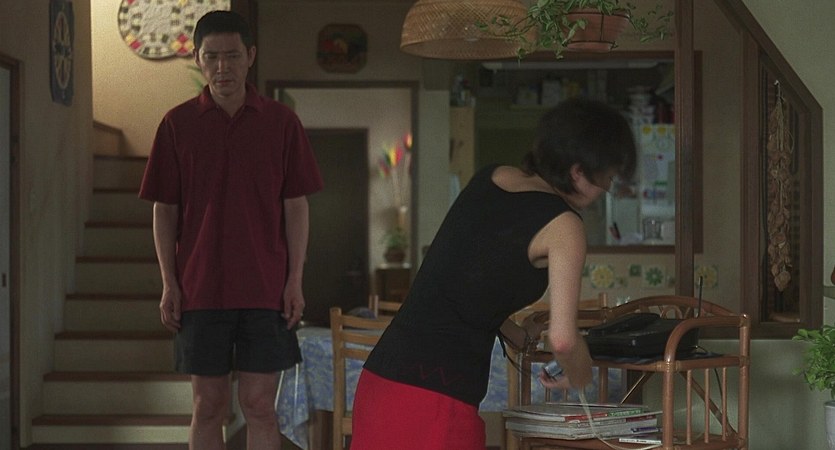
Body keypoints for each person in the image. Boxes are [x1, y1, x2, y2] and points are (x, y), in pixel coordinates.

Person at [352, 97, 637, 449]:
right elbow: (563, 340)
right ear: (578, 172)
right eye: (607, 178)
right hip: (434, 399)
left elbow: (464, 282)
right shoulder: (565, 226)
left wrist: (516, 333)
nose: (605, 190)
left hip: (382, 379)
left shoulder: (493, 176)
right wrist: (580, 373)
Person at [138, 10, 323, 450]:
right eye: (212, 57)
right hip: (200, 288)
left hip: (266, 288)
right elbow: (165, 209)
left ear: (250, 56)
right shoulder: (177, 124)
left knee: (259, 406)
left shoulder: (281, 123)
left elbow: (296, 206)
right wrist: (169, 282)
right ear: (198, 60)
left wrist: (295, 279)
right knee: (208, 406)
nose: (223, 67)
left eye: (233, 56)